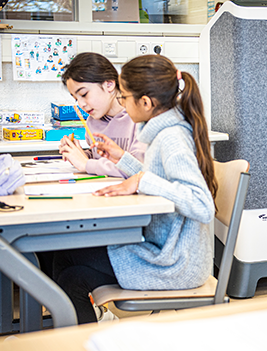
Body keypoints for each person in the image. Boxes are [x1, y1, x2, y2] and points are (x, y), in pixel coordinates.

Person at [51, 54, 217, 324]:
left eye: (125, 97)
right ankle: (84, 343)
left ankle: (81, 344)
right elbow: (155, 175)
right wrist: (121, 157)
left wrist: (141, 181)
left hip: (175, 263)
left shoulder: (172, 139)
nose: (123, 104)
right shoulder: (160, 133)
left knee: (68, 263)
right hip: (163, 251)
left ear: (146, 103)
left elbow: (201, 204)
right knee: (68, 266)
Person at [59, 52, 145, 178]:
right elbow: (98, 158)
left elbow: (138, 169)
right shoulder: (92, 121)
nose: (80, 104)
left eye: (83, 94)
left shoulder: (139, 118)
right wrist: (78, 154)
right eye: (75, 98)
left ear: (109, 84)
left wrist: (86, 164)